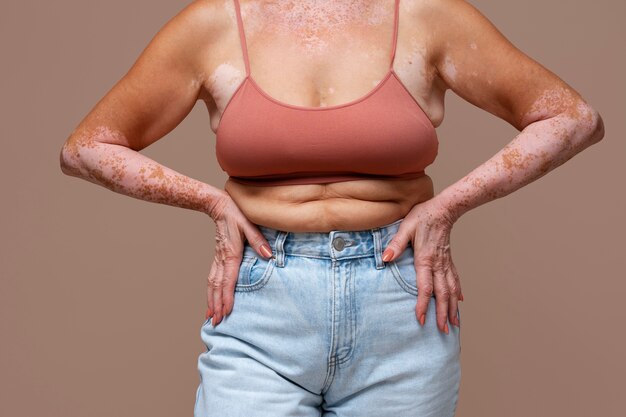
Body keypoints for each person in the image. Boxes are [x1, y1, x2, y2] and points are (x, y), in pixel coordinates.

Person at [59, 0, 605, 415]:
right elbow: (86, 148)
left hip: (400, 304)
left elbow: (571, 118)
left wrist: (446, 208)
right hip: (264, 304)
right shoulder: (214, 24)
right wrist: (210, 202)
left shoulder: (425, 15)